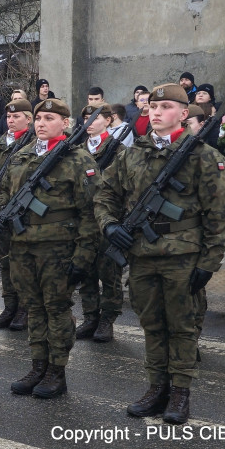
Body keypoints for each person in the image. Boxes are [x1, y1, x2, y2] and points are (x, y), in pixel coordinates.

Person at [95, 84, 225, 424]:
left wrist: (209, 262)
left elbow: (222, 216)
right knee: (152, 324)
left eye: (167, 107)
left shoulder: (203, 156)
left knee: (183, 327)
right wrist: (110, 225)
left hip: (182, 257)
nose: (157, 112)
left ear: (184, 114)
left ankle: (181, 393)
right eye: (153, 107)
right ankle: (157, 387)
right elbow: (105, 195)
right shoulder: (131, 154)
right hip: (142, 254)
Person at [0, 98, 99, 399]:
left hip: (58, 250)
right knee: (34, 309)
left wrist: (83, 257)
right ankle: (38, 365)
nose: (41, 123)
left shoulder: (78, 159)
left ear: (65, 123)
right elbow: (2, 195)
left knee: (57, 310)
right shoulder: (21, 156)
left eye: (49, 118)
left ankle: (56, 371)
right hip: (22, 248)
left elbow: (91, 212)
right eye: (38, 118)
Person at [76, 102, 125, 342]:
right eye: (86, 118)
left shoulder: (118, 149)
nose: (89, 122)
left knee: (109, 272)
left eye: (95, 118)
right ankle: (90, 316)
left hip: (107, 218)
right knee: (85, 269)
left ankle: (108, 319)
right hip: (84, 219)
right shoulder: (77, 149)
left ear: (108, 120)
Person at [0, 99, 31, 331]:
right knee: (5, 262)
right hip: (1, 207)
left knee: (22, 263)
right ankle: (10, 306)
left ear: (29, 119)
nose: (11, 120)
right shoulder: (2, 142)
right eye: (9, 117)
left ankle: (24, 308)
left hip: (23, 210)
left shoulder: (32, 142)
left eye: (17, 117)